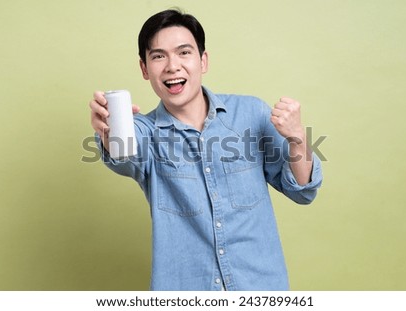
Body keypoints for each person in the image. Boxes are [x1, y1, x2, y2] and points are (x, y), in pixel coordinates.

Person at [89, 9, 323, 291]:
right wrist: (109, 127)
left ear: (203, 61)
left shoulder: (251, 114)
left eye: (184, 52)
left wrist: (297, 138)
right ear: (144, 68)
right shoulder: (145, 132)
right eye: (159, 56)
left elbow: (303, 190)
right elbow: (122, 154)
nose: (172, 66)